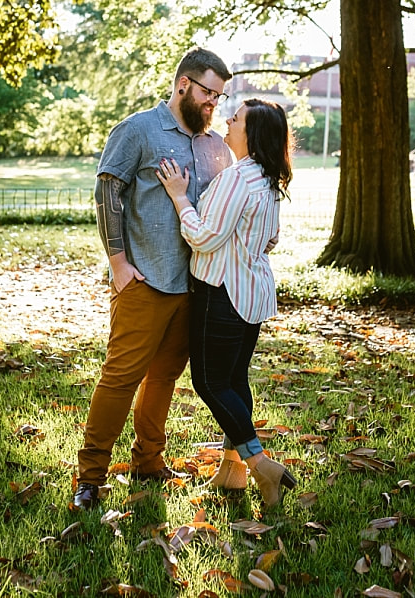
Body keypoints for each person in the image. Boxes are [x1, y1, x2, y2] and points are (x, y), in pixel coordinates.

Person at [73, 47, 234, 510]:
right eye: (207, 93)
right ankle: (91, 477)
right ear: (183, 84)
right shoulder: (137, 130)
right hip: (144, 280)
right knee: (120, 379)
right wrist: (119, 263)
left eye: (218, 98)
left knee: (164, 378)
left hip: (194, 286)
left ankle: (148, 461)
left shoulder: (211, 145)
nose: (212, 105)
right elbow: (108, 192)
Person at [155, 98, 296, 507]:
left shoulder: (238, 178)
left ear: (250, 134)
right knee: (234, 382)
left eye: (236, 119)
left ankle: (259, 464)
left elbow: (203, 237)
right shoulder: (270, 179)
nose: (227, 121)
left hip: (221, 294)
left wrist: (180, 197)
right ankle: (232, 472)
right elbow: (270, 238)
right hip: (251, 294)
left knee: (210, 383)